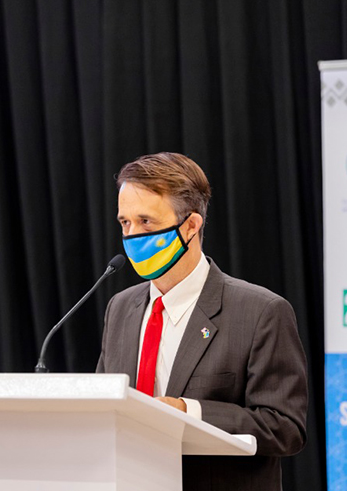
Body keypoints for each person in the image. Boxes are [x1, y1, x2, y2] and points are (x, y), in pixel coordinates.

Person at [96, 152, 308, 490]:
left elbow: (284, 429)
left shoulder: (261, 312)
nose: (132, 235)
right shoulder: (120, 308)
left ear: (191, 226)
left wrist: (187, 411)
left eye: (146, 222)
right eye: (125, 223)